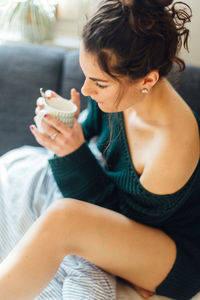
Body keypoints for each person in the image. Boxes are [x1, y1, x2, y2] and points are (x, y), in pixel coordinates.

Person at [0, 0, 199, 299]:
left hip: (171, 250)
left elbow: (116, 222)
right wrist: (70, 126)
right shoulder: (123, 91)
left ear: (147, 80)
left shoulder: (170, 145)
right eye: (86, 75)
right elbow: (93, 126)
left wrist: (73, 154)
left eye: (99, 84)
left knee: (63, 219)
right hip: (128, 224)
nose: (86, 90)